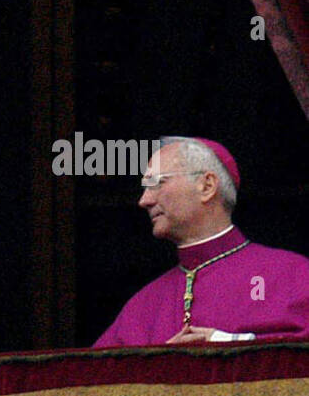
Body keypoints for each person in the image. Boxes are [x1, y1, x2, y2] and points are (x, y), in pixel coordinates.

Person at [94, 137, 309, 347]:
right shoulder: (143, 305)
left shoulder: (292, 274)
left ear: (207, 186)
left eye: (157, 183)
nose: (144, 201)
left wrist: (226, 344)